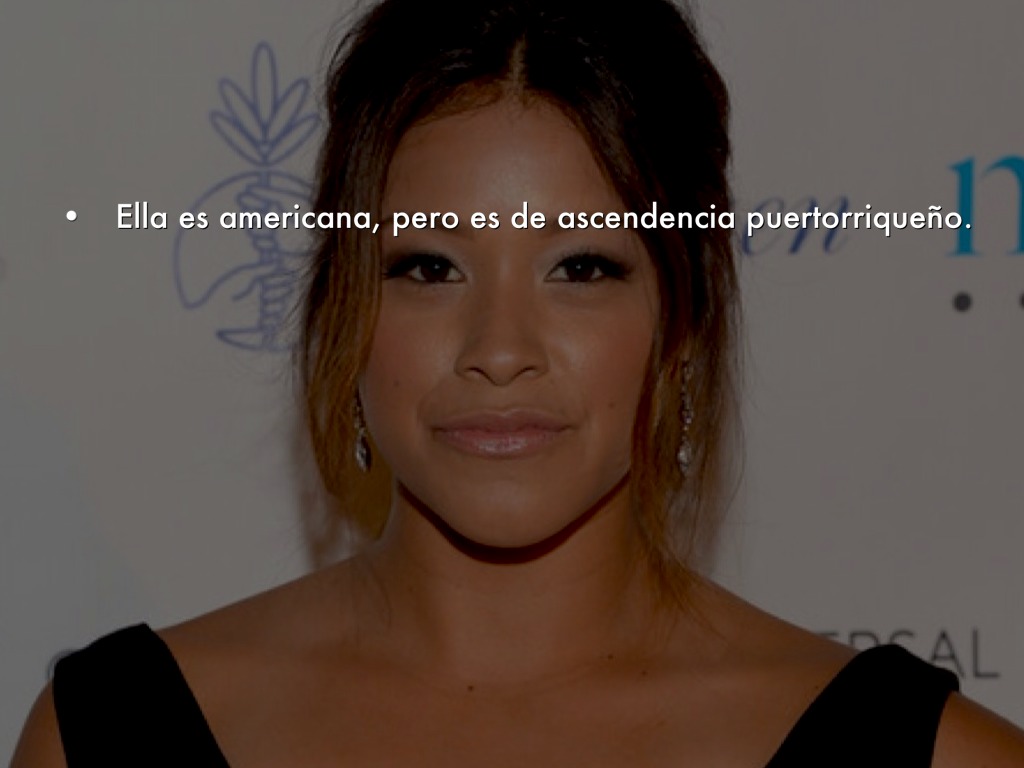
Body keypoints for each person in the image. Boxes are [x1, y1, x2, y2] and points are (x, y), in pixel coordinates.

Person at [12, 0, 1024, 765]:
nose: (499, 350)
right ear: (343, 308)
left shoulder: (933, 754)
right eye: (428, 267)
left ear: (684, 320)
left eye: (581, 268)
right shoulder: (108, 736)